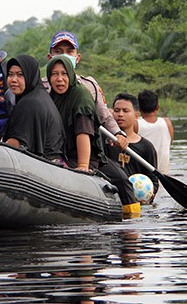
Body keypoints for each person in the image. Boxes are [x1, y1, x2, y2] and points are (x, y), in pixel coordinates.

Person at [47, 55, 140, 216]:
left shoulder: (81, 94)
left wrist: (83, 166)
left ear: (71, 74)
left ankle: (132, 221)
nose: (59, 79)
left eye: (64, 74)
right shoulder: (50, 96)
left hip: (88, 155)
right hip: (62, 152)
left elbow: (83, 131)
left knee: (121, 180)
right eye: (54, 74)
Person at [43, 31, 130, 150]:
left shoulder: (89, 86)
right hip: (49, 149)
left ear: (77, 58)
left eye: (69, 51)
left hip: (85, 150)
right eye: (58, 52)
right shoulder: (40, 87)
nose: (64, 55)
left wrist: (117, 133)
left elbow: (104, 116)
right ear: (49, 57)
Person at [2, 55, 65, 161]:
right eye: (10, 74)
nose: (13, 80)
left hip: (44, 167)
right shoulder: (40, 95)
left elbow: (12, 145)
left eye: (20, 75)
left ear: (30, 75)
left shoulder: (28, 104)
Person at [105, 92, 160, 199]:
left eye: (125, 111)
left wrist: (150, 191)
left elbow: (153, 179)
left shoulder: (146, 147)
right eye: (116, 111)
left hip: (135, 199)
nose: (120, 114)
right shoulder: (106, 140)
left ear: (136, 115)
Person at [137, 89, 174, 174]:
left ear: (138, 108)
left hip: (143, 176)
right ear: (157, 107)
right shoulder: (167, 123)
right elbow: (170, 143)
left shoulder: (136, 124)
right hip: (163, 175)